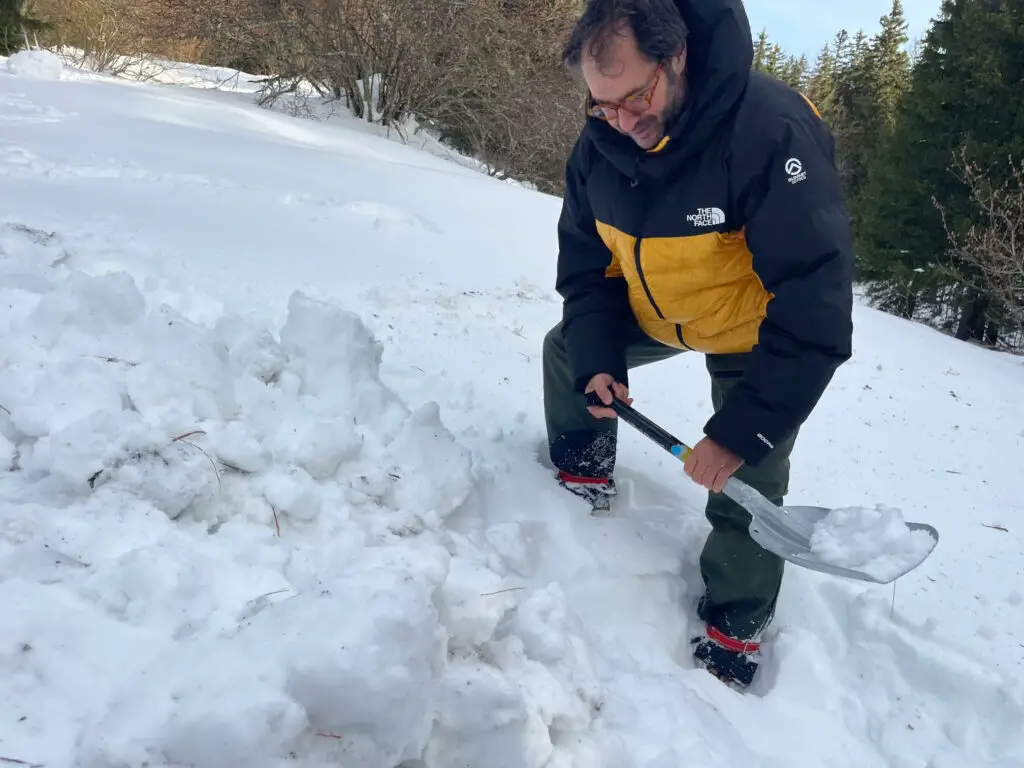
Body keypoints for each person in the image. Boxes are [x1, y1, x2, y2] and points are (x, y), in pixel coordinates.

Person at [543, 0, 855, 688]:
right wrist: (600, 359)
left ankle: (733, 626)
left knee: (748, 478)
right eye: (602, 106)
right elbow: (585, 270)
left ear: (677, 55)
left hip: (751, 325)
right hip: (660, 309)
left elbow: (816, 303)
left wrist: (742, 432)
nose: (622, 121)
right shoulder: (599, 143)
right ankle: (582, 471)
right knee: (569, 349)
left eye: (635, 97)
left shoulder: (771, 131)